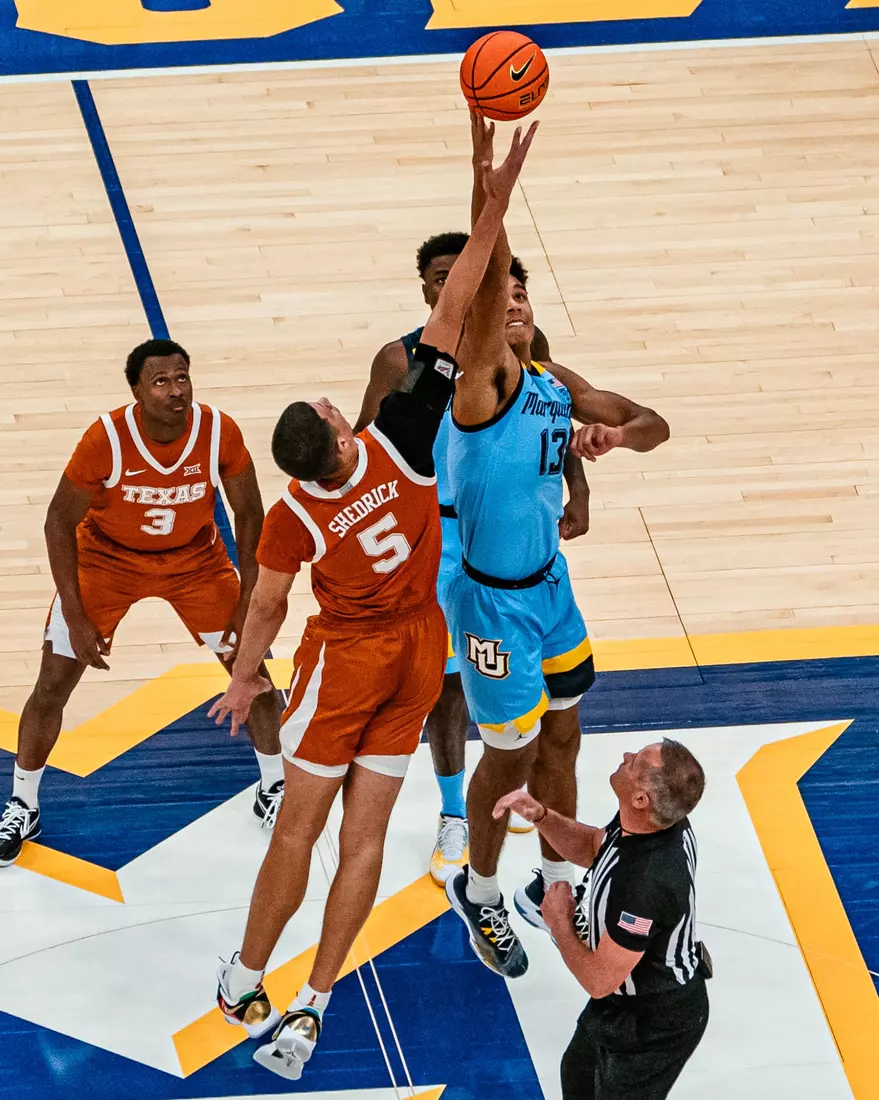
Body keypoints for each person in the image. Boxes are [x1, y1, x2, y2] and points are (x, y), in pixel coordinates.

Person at [206, 121, 539, 1082]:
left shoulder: (293, 518)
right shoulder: (402, 436)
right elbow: (465, 295)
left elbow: (266, 610)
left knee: (300, 829)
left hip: (347, 660)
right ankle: (311, 1007)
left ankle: (245, 976)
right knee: (363, 841)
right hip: (413, 651)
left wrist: (242, 680)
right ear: (336, 427)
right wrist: (493, 192)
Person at [443, 113, 671, 980]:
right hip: (491, 598)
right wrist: (487, 184)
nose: (508, 303)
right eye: (494, 298)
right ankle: (482, 887)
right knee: (506, 754)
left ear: (534, 311)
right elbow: (482, 269)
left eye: (520, 296)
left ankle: (550, 880)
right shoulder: (484, 382)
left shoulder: (549, 380)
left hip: (549, 588)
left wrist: (613, 441)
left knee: (565, 741)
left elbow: (653, 423)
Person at [353, 237, 590, 887]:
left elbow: (553, 414)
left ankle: (518, 792)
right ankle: (455, 813)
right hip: (434, 538)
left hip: (506, 537)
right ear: (427, 289)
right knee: (451, 684)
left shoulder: (522, 346)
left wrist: (579, 487)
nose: (452, 287)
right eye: (440, 277)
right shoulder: (398, 359)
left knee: (536, 681)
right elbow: (364, 459)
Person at [0, 340, 283, 867]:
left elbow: (250, 513)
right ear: (136, 390)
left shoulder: (220, 430)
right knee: (52, 683)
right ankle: (22, 802)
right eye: (161, 382)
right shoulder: (105, 438)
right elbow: (57, 522)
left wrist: (248, 596)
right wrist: (75, 612)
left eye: (182, 378)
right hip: (107, 561)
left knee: (253, 671)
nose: (176, 390)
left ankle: (275, 787)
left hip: (195, 561)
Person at [494, 739, 709, 1100]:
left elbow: (598, 981)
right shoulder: (654, 822)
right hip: (623, 1004)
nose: (626, 756)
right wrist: (540, 816)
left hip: (656, 1022)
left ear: (641, 799)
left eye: (636, 761)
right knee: (576, 1075)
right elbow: (596, 845)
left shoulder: (645, 885)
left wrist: (559, 921)